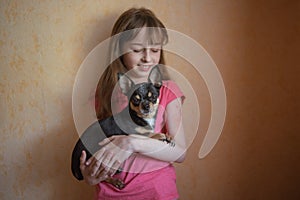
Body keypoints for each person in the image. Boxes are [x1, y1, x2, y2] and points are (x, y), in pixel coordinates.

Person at [76, 7, 187, 200]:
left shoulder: (167, 90)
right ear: (119, 50)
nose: (148, 57)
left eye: (155, 50)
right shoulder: (103, 94)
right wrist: (90, 174)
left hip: (157, 192)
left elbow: (180, 152)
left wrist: (132, 143)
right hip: (111, 193)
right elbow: (97, 146)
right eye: (137, 50)